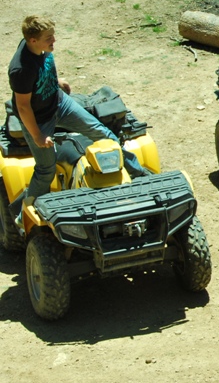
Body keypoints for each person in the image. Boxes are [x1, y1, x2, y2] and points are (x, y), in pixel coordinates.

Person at [7, 15, 147, 228]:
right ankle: (24, 215)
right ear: (33, 40)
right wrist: (37, 135)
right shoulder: (21, 69)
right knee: (46, 170)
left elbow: (42, 66)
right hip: (39, 120)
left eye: (53, 35)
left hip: (60, 104)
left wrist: (55, 81)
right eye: (49, 37)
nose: (54, 40)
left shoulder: (38, 48)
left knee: (106, 136)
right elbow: (23, 107)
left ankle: (139, 175)